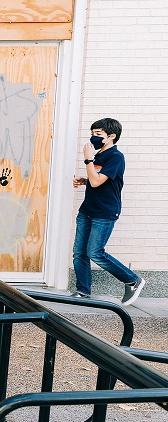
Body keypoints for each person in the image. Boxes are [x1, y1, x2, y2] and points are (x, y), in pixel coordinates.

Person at [72, 118, 145, 305]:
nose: (93, 137)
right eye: (92, 133)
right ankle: (82, 291)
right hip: (87, 210)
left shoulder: (115, 157)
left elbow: (97, 181)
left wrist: (87, 159)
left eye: (98, 134)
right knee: (79, 252)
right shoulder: (99, 155)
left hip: (104, 212)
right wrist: (84, 180)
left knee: (95, 252)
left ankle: (132, 280)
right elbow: (98, 180)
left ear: (111, 136)